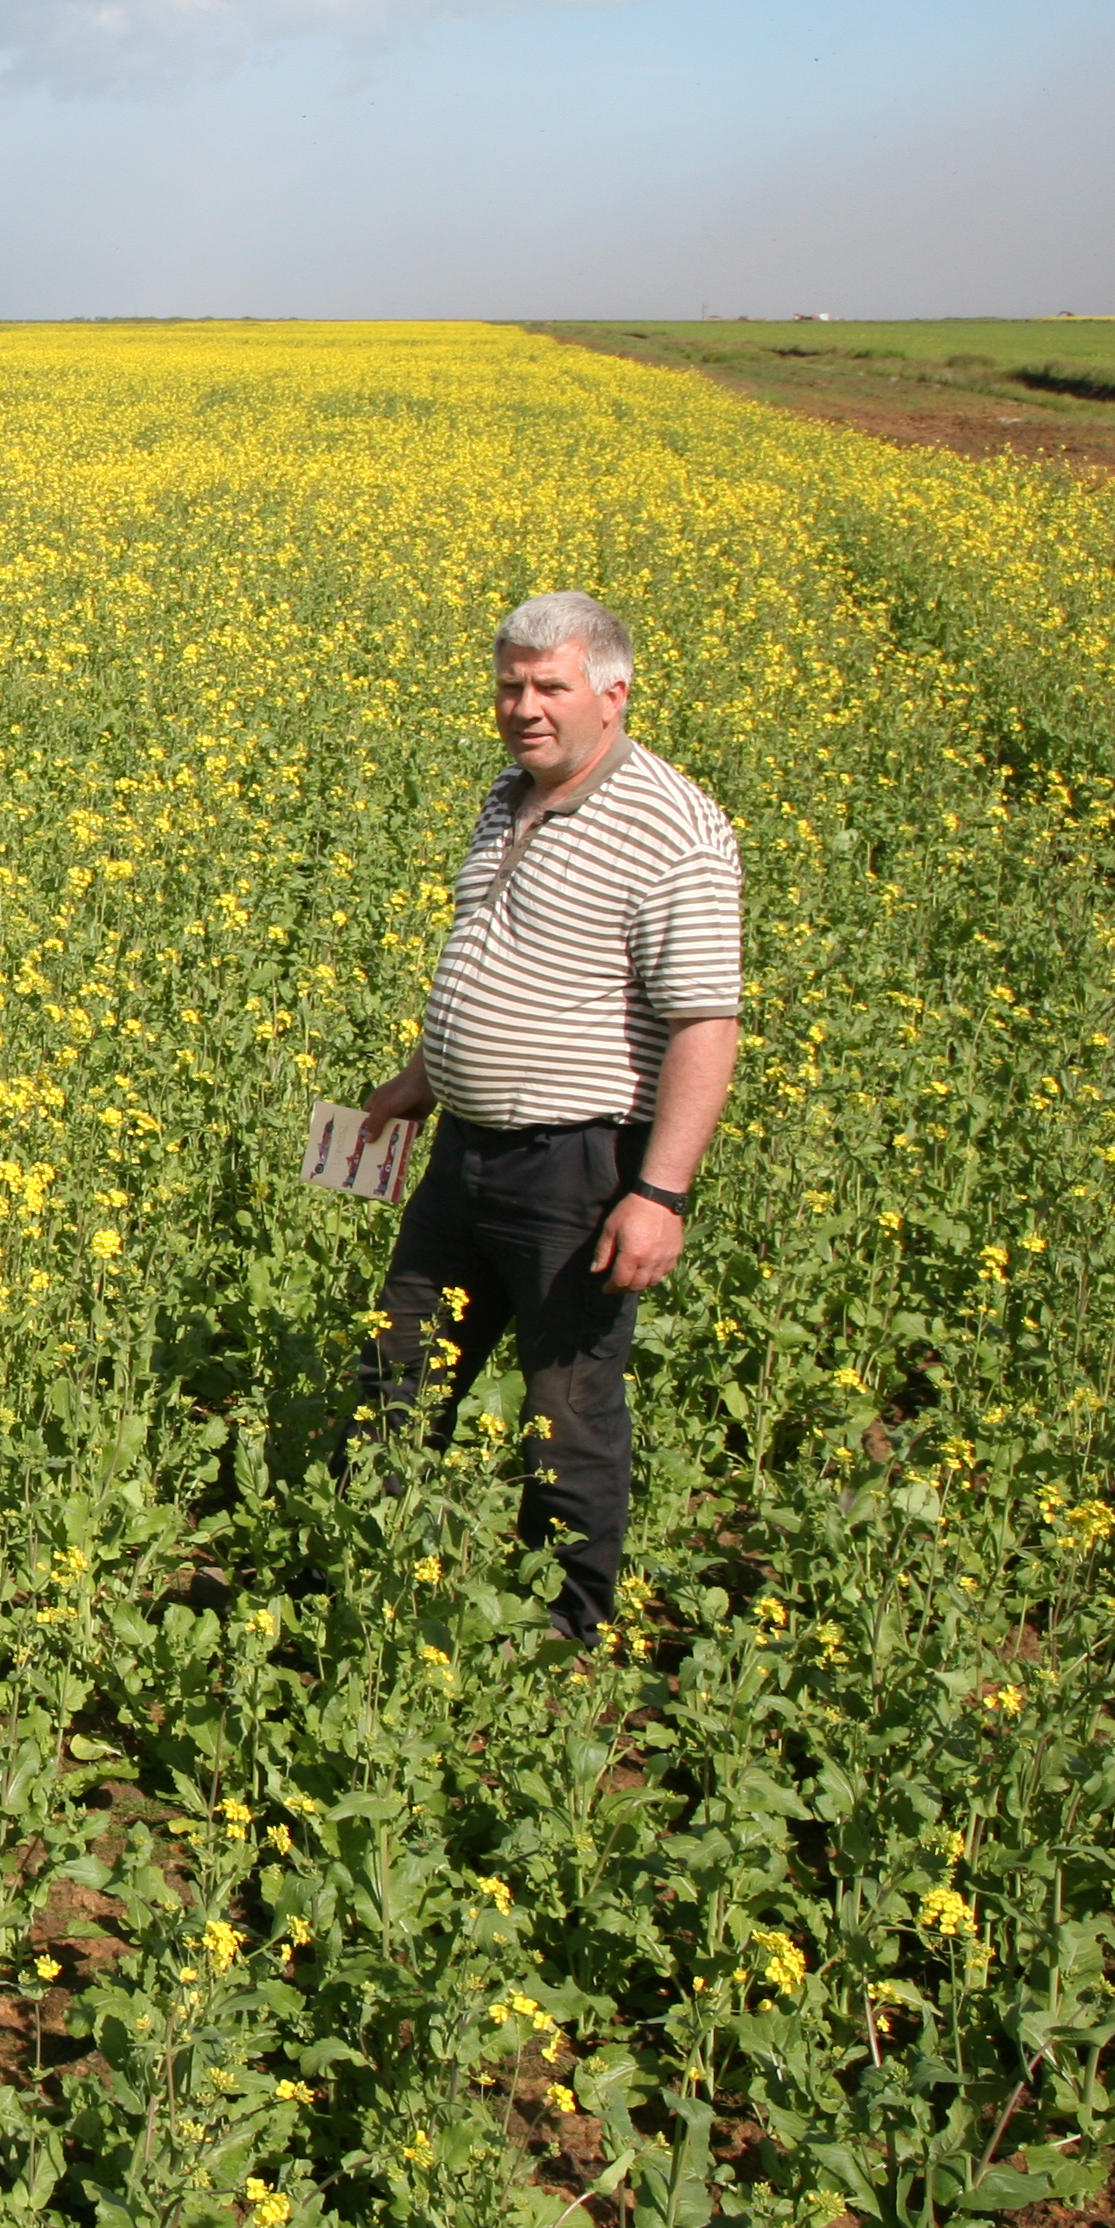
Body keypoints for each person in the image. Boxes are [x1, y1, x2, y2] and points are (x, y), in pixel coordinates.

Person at [350, 591, 742, 1642]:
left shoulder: (672, 826)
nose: (524, 706)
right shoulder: (508, 796)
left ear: (612, 695)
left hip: (578, 1168)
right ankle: (377, 1580)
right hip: (465, 1154)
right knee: (399, 1365)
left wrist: (658, 1193)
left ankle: (562, 1631)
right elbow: (503, 963)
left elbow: (705, 1020)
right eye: (509, 686)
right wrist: (417, 1081)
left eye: (548, 686)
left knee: (565, 1407)